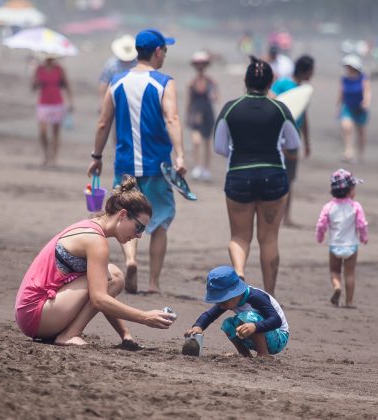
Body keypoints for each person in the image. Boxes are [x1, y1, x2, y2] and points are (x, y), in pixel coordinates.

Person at [15, 175, 176, 346]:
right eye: (139, 227)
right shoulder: (96, 241)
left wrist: (125, 335)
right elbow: (99, 299)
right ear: (122, 215)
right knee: (114, 276)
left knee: (111, 274)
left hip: (31, 314)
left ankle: (69, 333)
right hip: (37, 315)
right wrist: (145, 317)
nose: (139, 235)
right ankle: (70, 335)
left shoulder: (90, 226)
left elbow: (102, 291)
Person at [87, 28, 186, 295]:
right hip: (157, 167)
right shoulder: (164, 82)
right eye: (165, 50)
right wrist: (180, 155)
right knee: (161, 221)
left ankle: (131, 259)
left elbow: (103, 122)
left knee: (127, 215)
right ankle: (153, 282)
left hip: (125, 166)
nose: (165, 54)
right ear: (157, 52)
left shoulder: (116, 82)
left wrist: (96, 157)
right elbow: (172, 119)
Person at [214, 56, 301, 296]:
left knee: (240, 237)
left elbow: (220, 147)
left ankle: (240, 273)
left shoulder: (230, 108)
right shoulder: (280, 108)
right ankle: (270, 293)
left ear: (245, 80)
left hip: (239, 175)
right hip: (273, 176)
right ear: (270, 82)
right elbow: (293, 143)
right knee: (269, 238)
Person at [184, 265, 289, 357]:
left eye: (223, 301)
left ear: (235, 293)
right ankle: (245, 355)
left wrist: (255, 326)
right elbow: (210, 315)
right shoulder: (229, 301)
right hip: (259, 335)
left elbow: (276, 320)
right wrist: (198, 327)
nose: (221, 305)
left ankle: (263, 355)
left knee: (248, 317)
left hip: (278, 338)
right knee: (228, 324)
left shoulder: (256, 297)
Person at [270, 55, 315, 226]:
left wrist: (307, 141)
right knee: (275, 176)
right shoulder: (283, 83)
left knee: (289, 179)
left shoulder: (304, 91)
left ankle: (286, 216)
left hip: (294, 140)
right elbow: (272, 102)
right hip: (277, 138)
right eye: (312, 70)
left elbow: (304, 116)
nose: (313, 73)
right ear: (306, 70)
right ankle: (273, 214)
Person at [315, 169, 369, 308]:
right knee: (350, 274)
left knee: (334, 271)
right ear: (350, 190)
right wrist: (364, 237)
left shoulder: (329, 207)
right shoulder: (356, 206)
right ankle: (349, 301)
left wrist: (320, 237)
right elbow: (361, 224)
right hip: (351, 245)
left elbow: (321, 224)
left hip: (334, 245)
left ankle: (337, 286)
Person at [32, 55, 73, 166]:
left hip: (57, 103)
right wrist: (35, 77)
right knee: (43, 132)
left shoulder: (59, 69)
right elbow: (33, 87)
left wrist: (70, 101)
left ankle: (54, 157)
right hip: (43, 103)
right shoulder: (39, 69)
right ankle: (46, 154)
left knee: (55, 133)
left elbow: (67, 85)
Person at [186, 50, 218, 182]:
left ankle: (206, 168)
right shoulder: (191, 82)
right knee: (196, 141)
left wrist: (213, 95)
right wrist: (188, 115)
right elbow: (189, 101)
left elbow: (215, 97)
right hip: (195, 112)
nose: (200, 66)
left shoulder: (211, 82)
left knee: (207, 142)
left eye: (202, 64)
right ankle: (197, 166)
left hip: (207, 112)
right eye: (198, 64)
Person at [337, 54, 371, 163]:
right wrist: (338, 105)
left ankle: (361, 154)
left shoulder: (363, 78)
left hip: (360, 108)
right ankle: (348, 152)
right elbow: (341, 93)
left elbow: (367, 92)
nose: (348, 69)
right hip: (348, 106)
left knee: (361, 132)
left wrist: (365, 103)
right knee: (346, 128)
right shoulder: (344, 79)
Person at [98, 34, 137, 108]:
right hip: (115, 99)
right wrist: (102, 101)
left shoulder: (137, 63)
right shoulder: (111, 65)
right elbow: (104, 83)